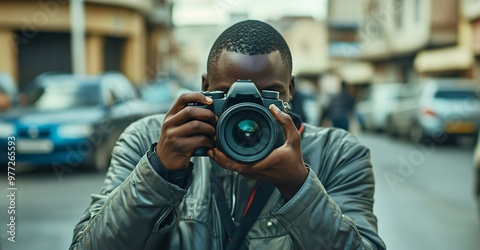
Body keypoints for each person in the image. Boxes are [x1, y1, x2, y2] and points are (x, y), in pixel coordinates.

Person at [70, 20, 385, 249]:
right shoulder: (148, 139)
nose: (247, 115)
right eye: (227, 94)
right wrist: (160, 170)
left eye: (268, 96)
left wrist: (298, 185)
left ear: (290, 89)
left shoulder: (337, 153)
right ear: (205, 87)